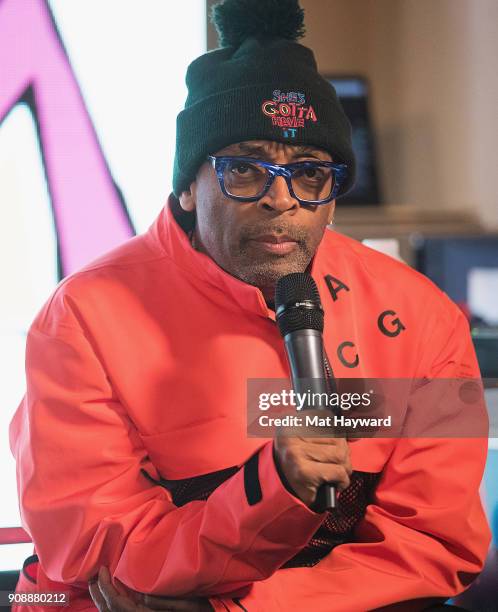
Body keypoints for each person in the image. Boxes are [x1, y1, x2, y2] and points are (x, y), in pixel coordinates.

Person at [9, 0, 490, 611]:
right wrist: (272, 489)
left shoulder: (427, 322)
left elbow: (435, 544)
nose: (281, 199)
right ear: (187, 185)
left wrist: (238, 608)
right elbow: (98, 550)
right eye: (244, 170)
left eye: (311, 173)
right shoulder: (80, 318)